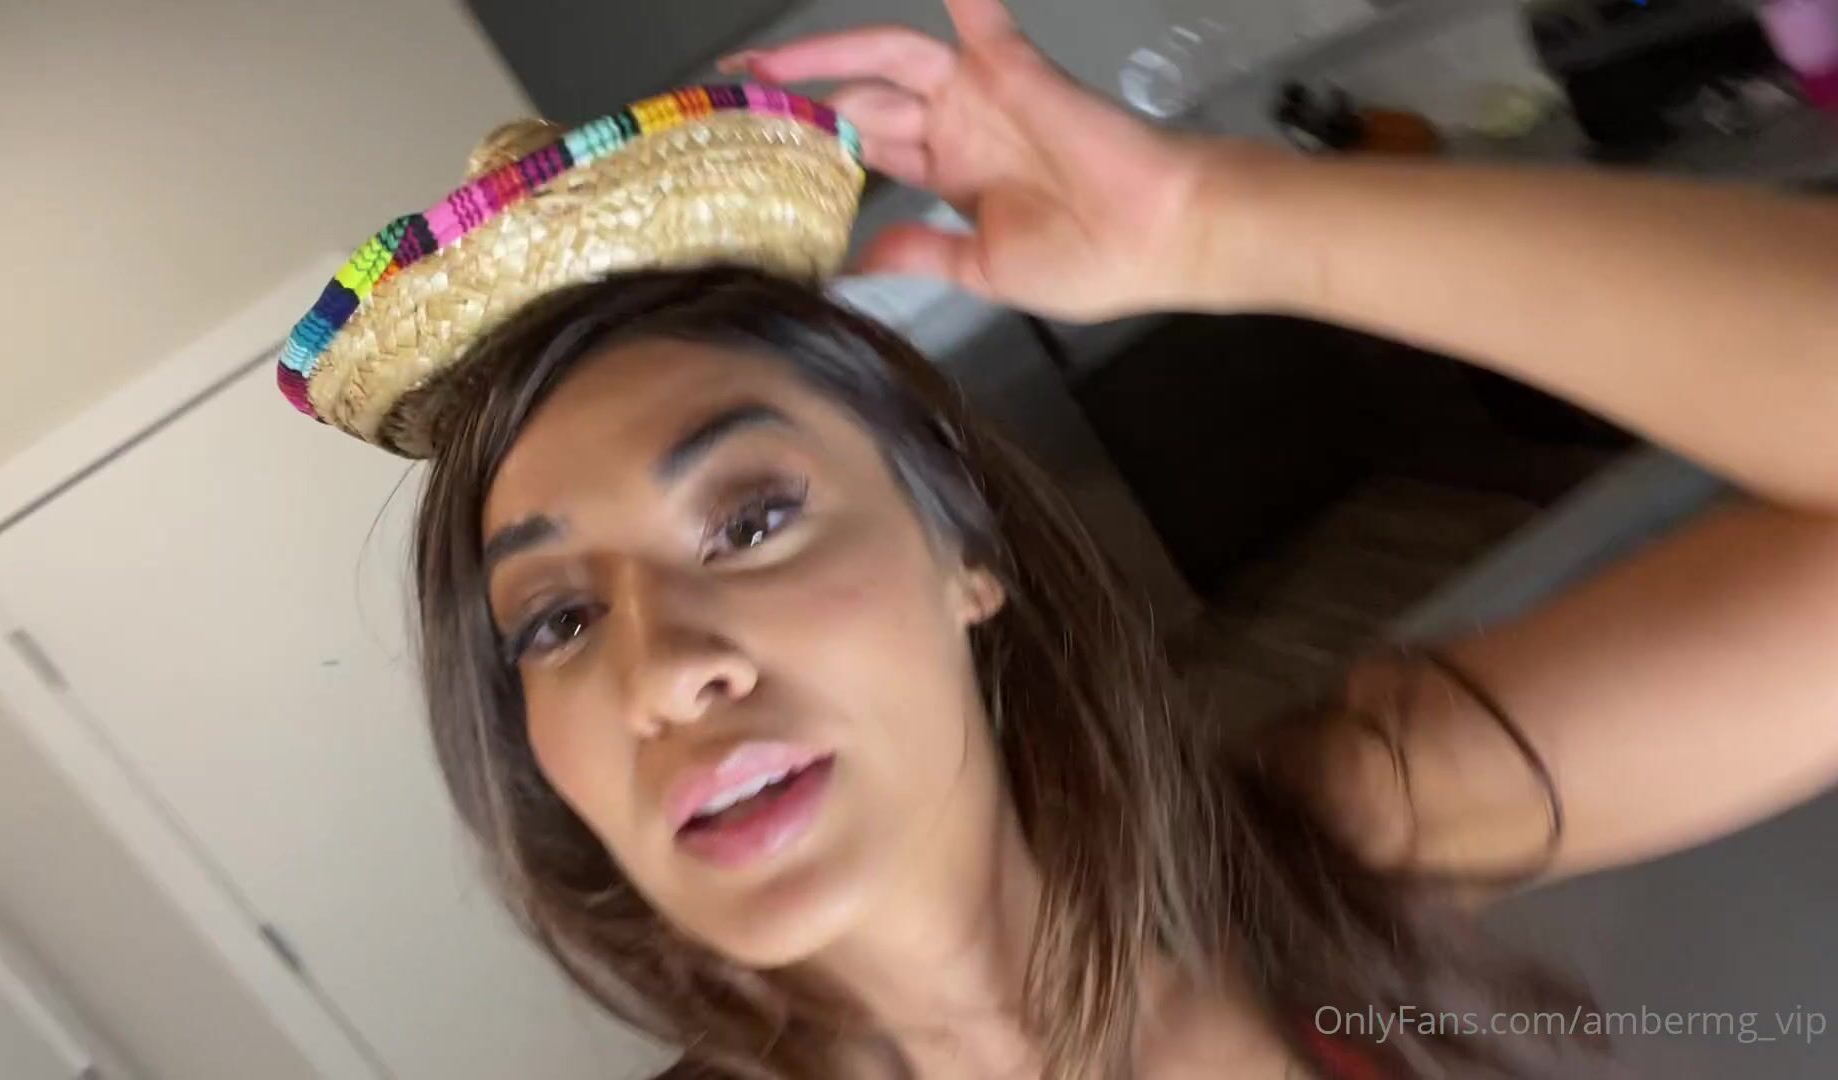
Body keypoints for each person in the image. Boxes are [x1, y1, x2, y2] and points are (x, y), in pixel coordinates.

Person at [277, 1, 1838, 1076]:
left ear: (964, 552)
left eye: (749, 519)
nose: (665, 669)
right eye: (556, 619)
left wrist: (1213, 223)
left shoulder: (1310, 846)